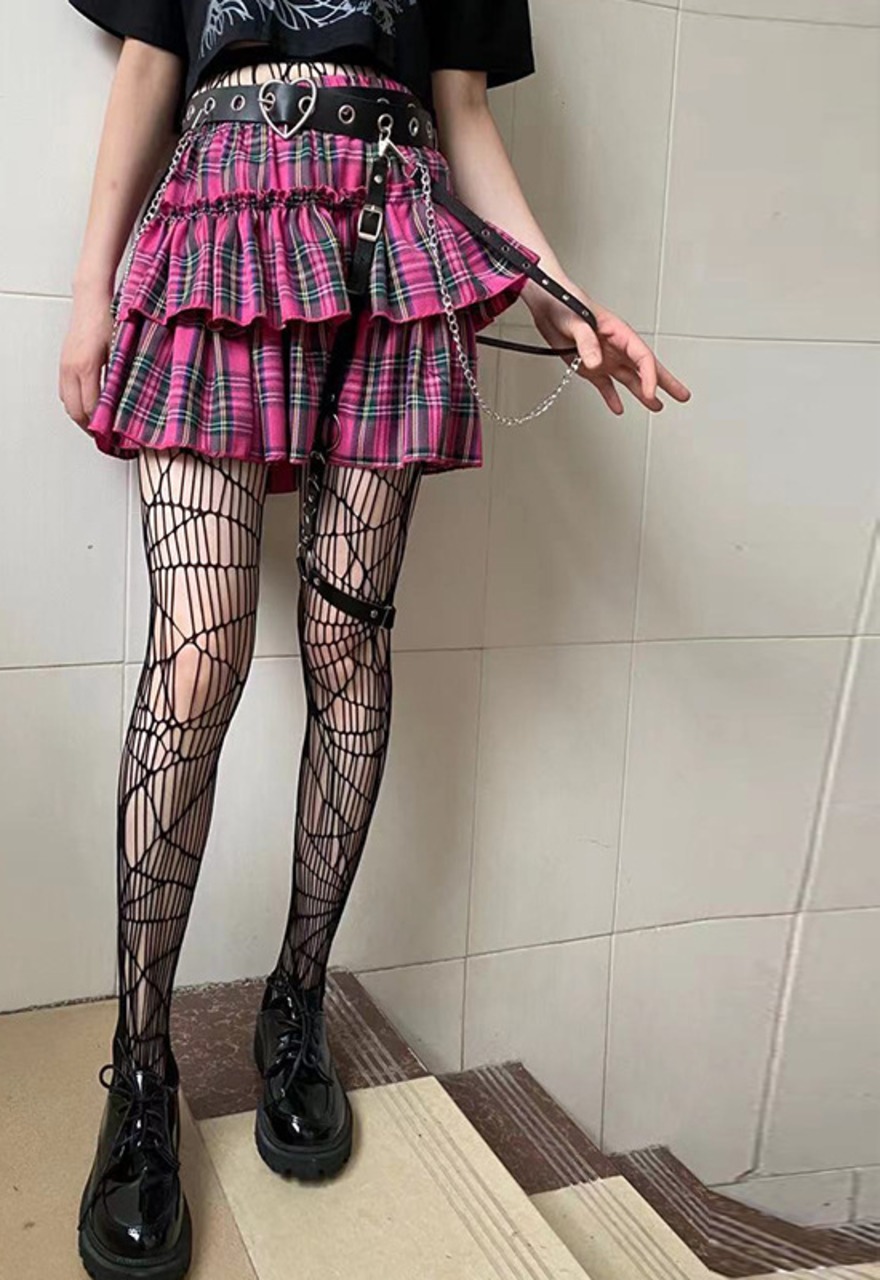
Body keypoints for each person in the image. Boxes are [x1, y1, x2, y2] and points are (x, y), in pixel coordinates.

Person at [59, 3, 691, 1277]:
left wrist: (558, 294)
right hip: (214, 223)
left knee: (348, 646)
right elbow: (146, 66)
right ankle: (140, 1068)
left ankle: (296, 1002)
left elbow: (462, 111)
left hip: (387, 241)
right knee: (197, 656)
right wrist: (89, 291)